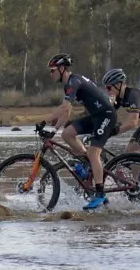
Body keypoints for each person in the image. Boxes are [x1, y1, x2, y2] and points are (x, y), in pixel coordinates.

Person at [47, 54, 116, 210]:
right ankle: (88, 165)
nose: (50, 74)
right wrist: (48, 121)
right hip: (95, 116)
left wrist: (53, 129)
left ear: (62, 68)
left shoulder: (73, 81)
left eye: (52, 71)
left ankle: (100, 194)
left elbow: (66, 111)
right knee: (67, 134)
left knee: (94, 154)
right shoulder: (69, 84)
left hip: (106, 116)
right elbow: (64, 108)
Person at [101, 68, 140, 154]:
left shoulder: (132, 95)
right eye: (105, 88)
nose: (107, 91)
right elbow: (107, 114)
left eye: (109, 88)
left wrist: (113, 131)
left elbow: (133, 122)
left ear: (119, 85)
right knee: (129, 152)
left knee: (133, 150)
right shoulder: (118, 97)